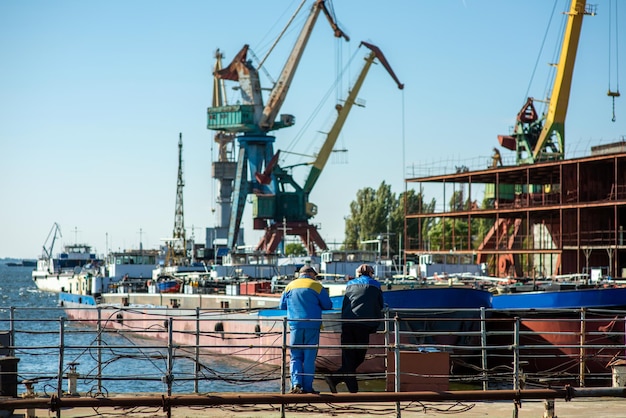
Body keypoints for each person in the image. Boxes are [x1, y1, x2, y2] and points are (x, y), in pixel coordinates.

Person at [325, 263, 384, 393]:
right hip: (363, 324)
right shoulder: (375, 285)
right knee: (359, 356)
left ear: (358, 273)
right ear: (371, 273)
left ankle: (337, 380)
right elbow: (380, 304)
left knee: (349, 356)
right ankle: (351, 389)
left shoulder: (349, 284)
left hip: (347, 323)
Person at [279, 265, 332, 394]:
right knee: (309, 357)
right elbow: (328, 305)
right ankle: (308, 388)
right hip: (312, 325)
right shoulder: (316, 286)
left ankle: (296, 384)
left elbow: (282, 305)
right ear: (311, 274)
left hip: (295, 325)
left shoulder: (290, 286)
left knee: (295, 356)